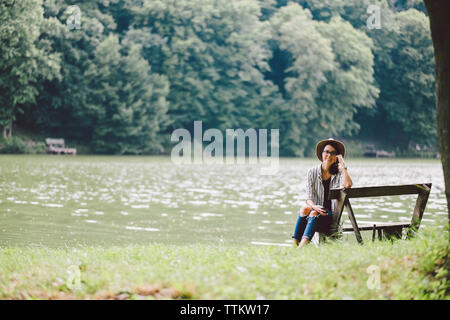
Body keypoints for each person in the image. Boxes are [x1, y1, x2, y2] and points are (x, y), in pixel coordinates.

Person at [292, 138, 353, 248]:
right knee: (304, 209)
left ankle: (300, 248)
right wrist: (314, 207)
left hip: (330, 218)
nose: (329, 155)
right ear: (322, 154)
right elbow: (309, 198)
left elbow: (348, 184)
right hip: (315, 212)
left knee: (313, 213)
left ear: (336, 158)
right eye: (327, 152)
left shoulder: (339, 173)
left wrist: (343, 166)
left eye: (333, 153)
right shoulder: (312, 172)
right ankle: (294, 245)